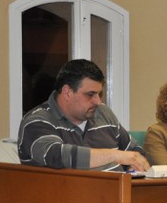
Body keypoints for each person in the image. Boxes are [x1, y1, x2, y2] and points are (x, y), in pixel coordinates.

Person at [18, 59, 149, 172]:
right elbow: (57, 155)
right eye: (90, 94)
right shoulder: (37, 121)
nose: (98, 101)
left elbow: (134, 151)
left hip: (117, 191)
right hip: (60, 193)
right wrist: (115, 156)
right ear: (67, 92)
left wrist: (134, 167)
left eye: (99, 94)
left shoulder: (103, 114)